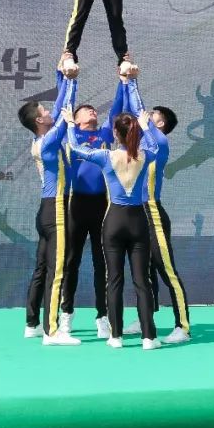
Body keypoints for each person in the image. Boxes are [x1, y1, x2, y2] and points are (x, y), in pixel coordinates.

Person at [63, 106, 161, 350]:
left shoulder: (106, 156)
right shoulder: (145, 155)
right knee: (142, 281)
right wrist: (147, 126)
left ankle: (115, 336)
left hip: (114, 221)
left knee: (114, 279)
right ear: (135, 133)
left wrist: (69, 126)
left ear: (115, 134)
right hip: (138, 220)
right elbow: (156, 147)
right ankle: (149, 337)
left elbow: (75, 149)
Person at [119, 76, 191, 344]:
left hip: (153, 214)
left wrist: (132, 80)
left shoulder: (158, 141)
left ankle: (182, 326)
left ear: (159, 124)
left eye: (152, 115)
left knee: (166, 269)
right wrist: (124, 84)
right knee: (143, 271)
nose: (146, 115)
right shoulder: (141, 141)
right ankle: (145, 318)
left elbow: (138, 111)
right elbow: (132, 113)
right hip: (135, 213)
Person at [17, 68, 81, 346]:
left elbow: (59, 105)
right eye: (45, 111)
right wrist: (72, 82)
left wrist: (64, 77)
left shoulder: (40, 138)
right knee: (57, 270)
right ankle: (52, 331)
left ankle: (31, 324)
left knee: (41, 268)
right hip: (55, 209)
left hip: (45, 210)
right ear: (40, 121)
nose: (49, 111)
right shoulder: (47, 142)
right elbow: (65, 110)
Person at [59, 78, 127, 338]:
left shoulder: (105, 134)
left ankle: (102, 316)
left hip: (102, 205)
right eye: (86, 110)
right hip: (77, 205)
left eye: (93, 110)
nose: (92, 111)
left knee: (102, 263)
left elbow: (117, 109)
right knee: (72, 261)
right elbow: (66, 105)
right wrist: (70, 79)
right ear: (75, 119)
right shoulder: (71, 133)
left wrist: (122, 82)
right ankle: (67, 315)